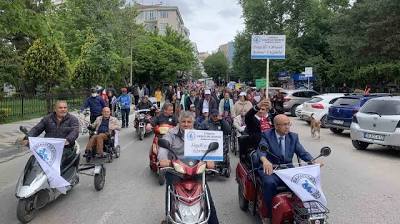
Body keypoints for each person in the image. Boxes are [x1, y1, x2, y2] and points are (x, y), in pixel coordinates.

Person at [158, 111, 219, 224]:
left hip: (195, 170)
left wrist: (210, 161)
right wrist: (163, 159)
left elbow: (207, 150)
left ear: (193, 123)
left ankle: (213, 221)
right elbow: (163, 146)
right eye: (183, 121)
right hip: (176, 169)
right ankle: (169, 217)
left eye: (189, 122)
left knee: (206, 195)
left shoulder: (198, 135)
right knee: (171, 192)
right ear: (179, 122)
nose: (186, 124)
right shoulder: (171, 133)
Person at [256, 114, 319, 223]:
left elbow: (302, 152)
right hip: (272, 170)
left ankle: (301, 212)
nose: (287, 127)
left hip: (288, 171)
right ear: (276, 126)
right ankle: (267, 214)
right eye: (284, 125)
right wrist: (265, 160)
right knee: (269, 183)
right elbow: (261, 150)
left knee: (304, 182)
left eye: (288, 124)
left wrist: (313, 161)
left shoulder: (293, 137)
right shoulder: (267, 135)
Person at [23, 101, 79, 170]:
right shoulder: (47, 118)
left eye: (65, 107)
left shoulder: (73, 119)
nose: (63, 109)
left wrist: (68, 140)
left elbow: (75, 131)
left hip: (65, 148)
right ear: (55, 109)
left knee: (59, 163)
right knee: (33, 160)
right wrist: (27, 138)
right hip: (48, 148)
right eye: (60, 108)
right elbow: (37, 129)